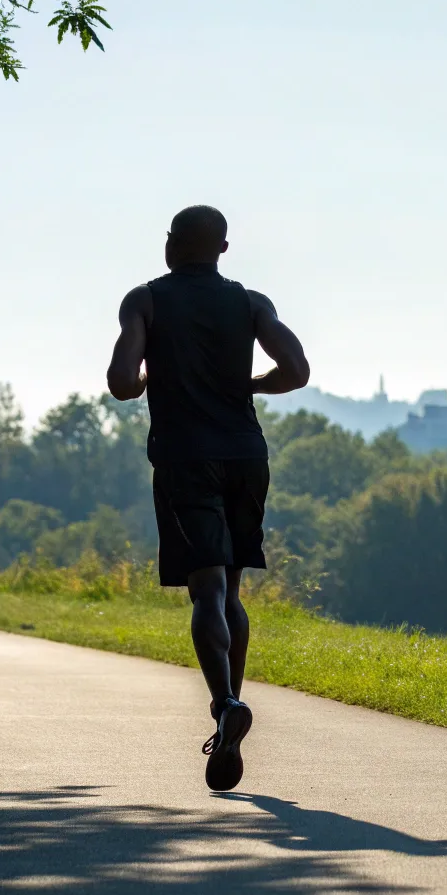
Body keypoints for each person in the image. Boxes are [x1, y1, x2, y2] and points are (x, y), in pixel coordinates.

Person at [107, 205, 310, 792]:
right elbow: (295, 370)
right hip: (246, 455)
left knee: (208, 587)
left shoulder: (145, 300)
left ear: (171, 245)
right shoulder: (250, 303)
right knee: (233, 590)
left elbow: (122, 383)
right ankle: (233, 702)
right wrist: (250, 384)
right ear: (223, 248)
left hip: (184, 456)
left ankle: (224, 703)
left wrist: (149, 380)